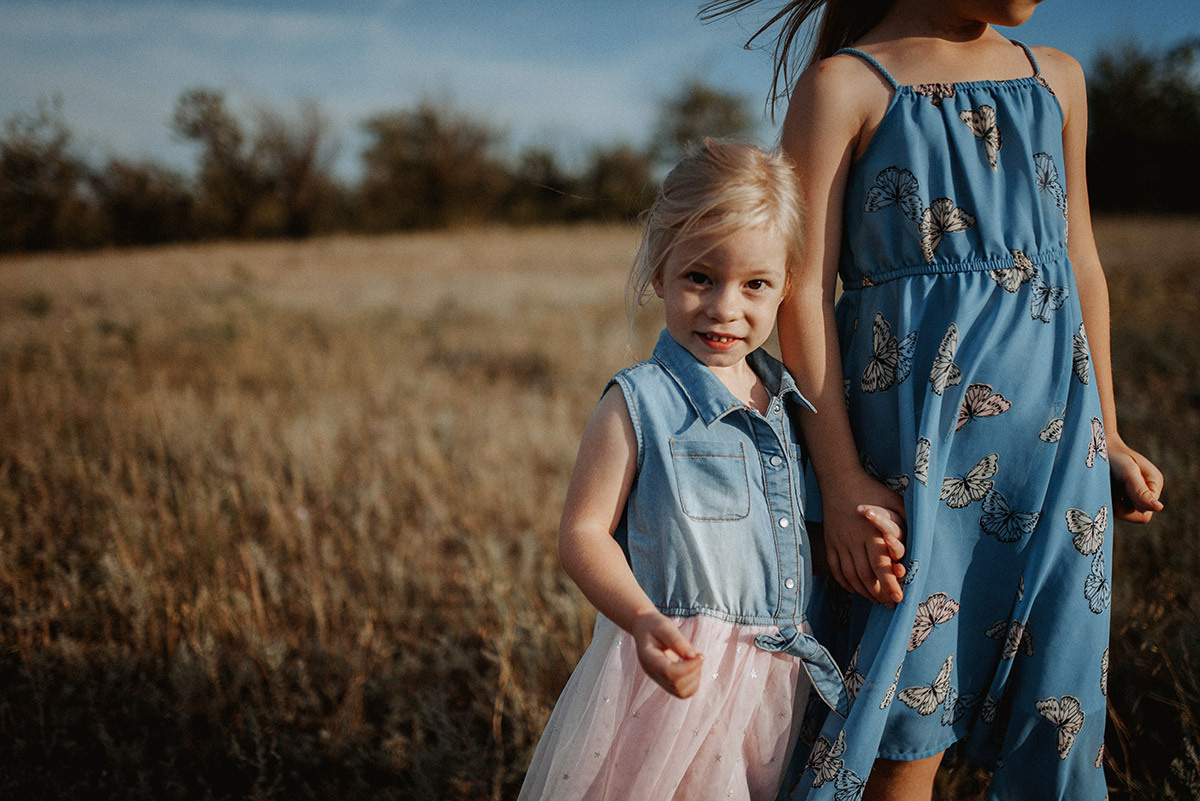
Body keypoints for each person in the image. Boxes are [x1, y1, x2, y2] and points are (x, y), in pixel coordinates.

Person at [696, 2, 1165, 799]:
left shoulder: (1057, 78)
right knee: (901, 727)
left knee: (1057, 717)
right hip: (913, 454)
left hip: (1057, 455)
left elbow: (1080, 260)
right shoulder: (844, 86)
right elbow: (804, 290)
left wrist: (1109, 434)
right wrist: (841, 481)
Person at [517, 139, 876, 801]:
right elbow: (583, 532)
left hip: (772, 680)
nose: (725, 307)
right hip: (677, 673)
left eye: (755, 285)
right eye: (700, 278)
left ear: (787, 286)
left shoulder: (791, 404)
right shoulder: (640, 401)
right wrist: (642, 618)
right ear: (660, 272)